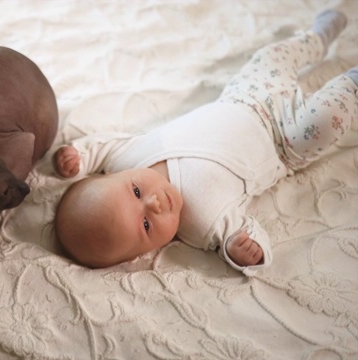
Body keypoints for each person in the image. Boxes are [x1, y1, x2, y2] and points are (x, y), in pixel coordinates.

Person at [53, 9, 357, 274]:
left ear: (111, 175)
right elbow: (242, 234)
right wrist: (242, 250)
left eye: (135, 191)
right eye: (146, 225)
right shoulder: (202, 225)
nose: (154, 203)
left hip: (246, 95)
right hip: (284, 141)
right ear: (139, 256)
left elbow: (102, 146)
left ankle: (319, 36)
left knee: (270, 57)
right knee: (327, 119)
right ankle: (352, 82)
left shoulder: (126, 159)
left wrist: (78, 156)